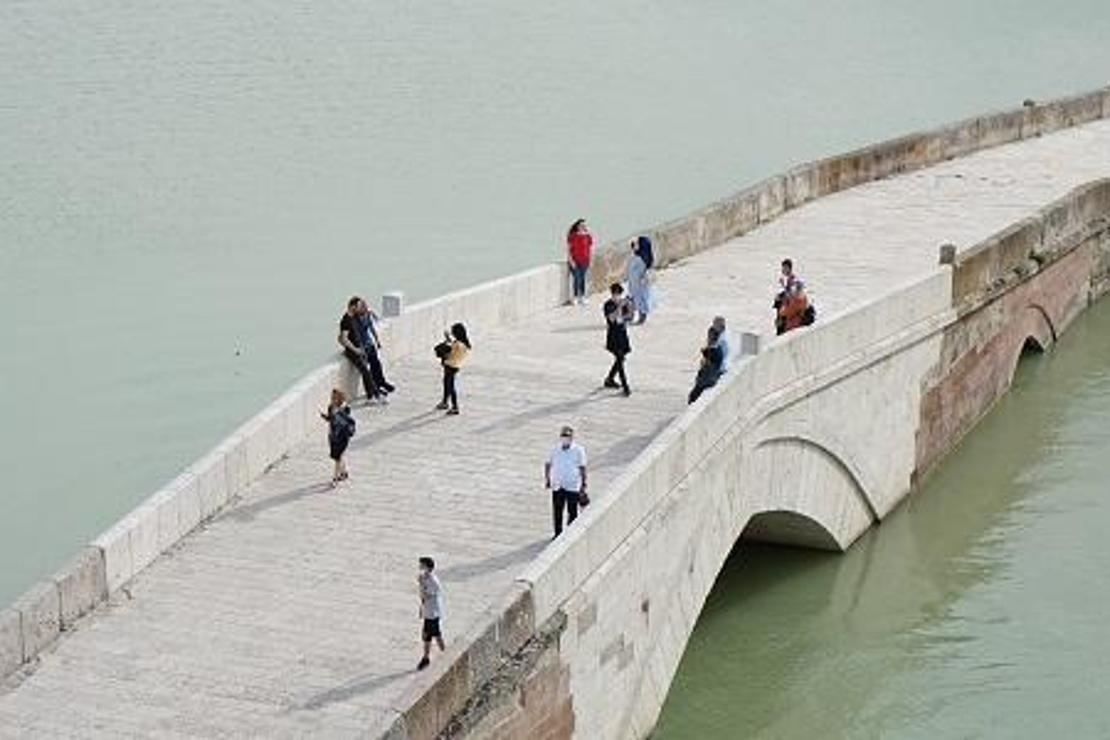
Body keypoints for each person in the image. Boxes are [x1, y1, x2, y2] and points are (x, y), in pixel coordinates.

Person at [544, 426, 588, 538]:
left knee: (572, 511)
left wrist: (583, 484)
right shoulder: (555, 449)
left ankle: (571, 534)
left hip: (572, 485)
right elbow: (548, 464)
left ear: (572, 437)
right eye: (563, 436)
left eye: (567, 436)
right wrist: (548, 479)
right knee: (557, 510)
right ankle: (557, 533)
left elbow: (582, 467)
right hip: (558, 484)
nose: (565, 438)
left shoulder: (578, 450)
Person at [338, 296, 383, 404]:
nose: (359, 308)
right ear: (352, 306)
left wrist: (371, 313)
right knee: (366, 371)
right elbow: (343, 338)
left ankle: (371, 396)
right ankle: (376, 395)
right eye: (358, 306)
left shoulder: (355, 316)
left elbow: (366, 311)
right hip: (353, 352)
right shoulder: (346, 320)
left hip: (360, 348)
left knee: (366, 372)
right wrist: (355, 349)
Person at [356, 299, 396, 396]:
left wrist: (377, 341)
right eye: (362, 306)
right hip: (362, 347)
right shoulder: (355, 319)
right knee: (368, 369)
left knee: (376, 364)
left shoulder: (368, 315)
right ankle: (375, 387)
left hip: (369, 344)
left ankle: (382, 382)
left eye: (365, 306)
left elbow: (372, 328)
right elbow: (356, 335)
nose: (365, 308)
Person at [321, 388, 355, 486]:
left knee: (338, 457)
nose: (332, 399)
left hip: (343, 436)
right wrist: (325, 417)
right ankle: (344, 473)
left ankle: (335, 478)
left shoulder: (345, 408)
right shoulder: (331, 407)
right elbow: (331, 419)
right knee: (338, 457)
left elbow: (345, 421)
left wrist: (338, 413)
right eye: (332, 397)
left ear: (339, 398)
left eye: (334, 398)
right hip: (333, 436)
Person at [603, 283, 632, 396]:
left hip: (622, 335)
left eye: (619, 294)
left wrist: (629, 306)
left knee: (621, 359)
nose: (617, 296)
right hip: (613, 336)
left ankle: (609, 379)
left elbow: (629, 317)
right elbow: (611, 318)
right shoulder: (608, 305)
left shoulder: (624, 304)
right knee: (620, 360)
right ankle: (625, 386)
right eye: (615, 294)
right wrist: (619, 307)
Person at [416, 557, 445, 670]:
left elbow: (428, 595)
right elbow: (423, 597)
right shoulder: (424, 577)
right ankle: (427, 657)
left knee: (434, 635)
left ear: (427, 566)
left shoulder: (433, 581)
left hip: (433, 613)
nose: (420, 566)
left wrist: (422, 584)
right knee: (429, 635)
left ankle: (429, 657)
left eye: (421, 565)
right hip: (428, 612)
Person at [773, 258, 816, 335]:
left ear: (789, 268)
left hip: (794, 317)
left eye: (784, 268)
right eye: (782, 268)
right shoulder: (787, 280)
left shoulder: (794, 282)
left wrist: (782, 313)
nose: (782, 270)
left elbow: (792, 297)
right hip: (791, 311)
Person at [436, 322, 471, 415]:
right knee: (447, 384)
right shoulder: (465, 345)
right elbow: (453, 346)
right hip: (455, 366)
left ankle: (455, 407)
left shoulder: (457, 344)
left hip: (450, 366)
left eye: (453, 332)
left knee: (450, 386)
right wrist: (448, 339)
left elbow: (450, 350)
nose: (452, 333)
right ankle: (444, 402)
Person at [688, 326, 724, 404]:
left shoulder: (713, 352)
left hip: (707, 380)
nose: (707, 338)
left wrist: (705, 353)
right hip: (708, 378)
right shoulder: (716, 349)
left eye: (709, 336)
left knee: (693, 397)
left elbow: (709, 366)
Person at [566, 218, 594, 305]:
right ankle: (574, 297)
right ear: (577, 226)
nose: (584, 226)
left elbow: (589, 248)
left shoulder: (587, 236)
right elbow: (569, 249)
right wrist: (571, 261)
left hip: (585, 261)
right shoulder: (572, 236)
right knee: (576, 279)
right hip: (575, 261)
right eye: (582, 225)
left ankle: (582, 296)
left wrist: (590, 259)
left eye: (585, 225)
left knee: (582, 279)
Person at [626, 238, 652, 324]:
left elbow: (642, 272)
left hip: (639, 284)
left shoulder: (643, 259)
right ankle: (631, 316)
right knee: (632, 299)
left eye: (637, 243)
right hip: (633, 283)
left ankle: (641, 317)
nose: (635, 245)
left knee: (640, 300)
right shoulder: (637, 256)